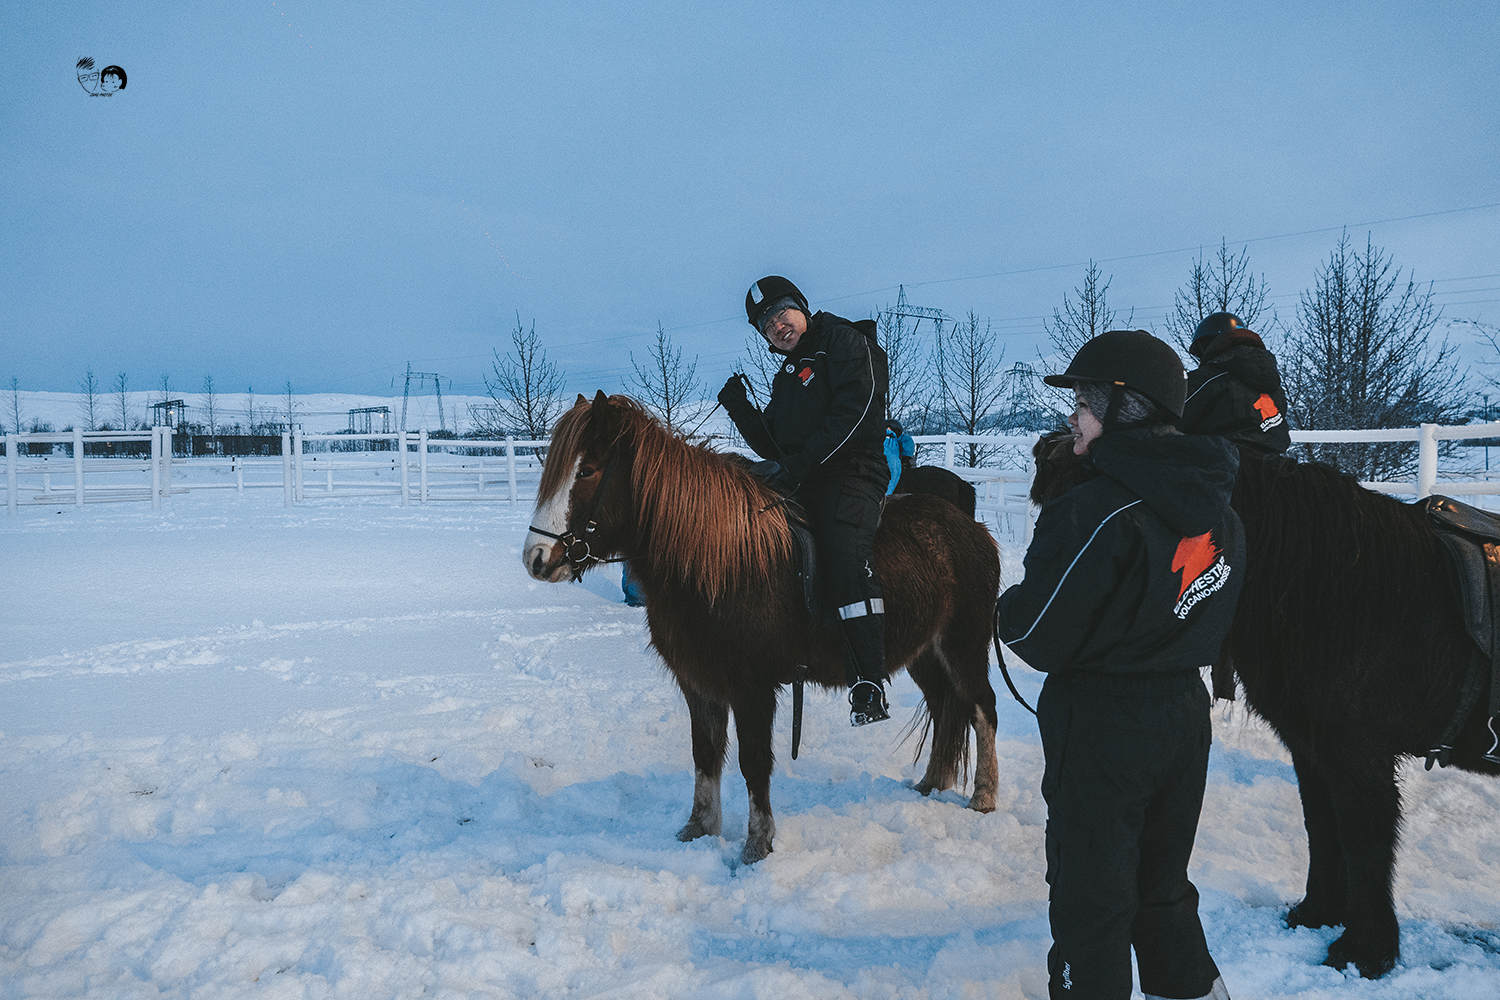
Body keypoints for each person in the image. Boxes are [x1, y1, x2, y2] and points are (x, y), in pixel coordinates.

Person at [994, 330, 1243, 1000]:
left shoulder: (1095, 509)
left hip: (1105, 728)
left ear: (1121, 406)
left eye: (1084, 401)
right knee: (1162, 890)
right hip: (1185, 720)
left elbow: (1039, 634)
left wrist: (1003, 610)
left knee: (1091, 904)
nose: (1072, 416)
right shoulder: (1222, 508)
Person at [718, 276, 892, 726]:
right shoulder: (789, 374)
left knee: (843, 555)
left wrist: (803, 463)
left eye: (780, 313)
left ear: (801, 307)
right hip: (805, 478)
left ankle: (867, 681)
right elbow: (775, 446)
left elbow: (858, 411)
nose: (776, 326)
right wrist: (740, 407)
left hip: (852, 473)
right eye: (764, 324)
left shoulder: (844, 341)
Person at [1177, 312, 1290, 454]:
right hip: (1273, 467)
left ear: (1208, 344)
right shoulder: (1274, 384)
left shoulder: (1208, 380)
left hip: (1225, 468)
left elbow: (1174, 415)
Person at [883, 418, 916, 495]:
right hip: (895, 460)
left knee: (894, 472)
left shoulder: (902, 439)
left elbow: (906, 454)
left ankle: (888, 492)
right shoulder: (888, 439)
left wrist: (904, 460)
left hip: (901, 461)